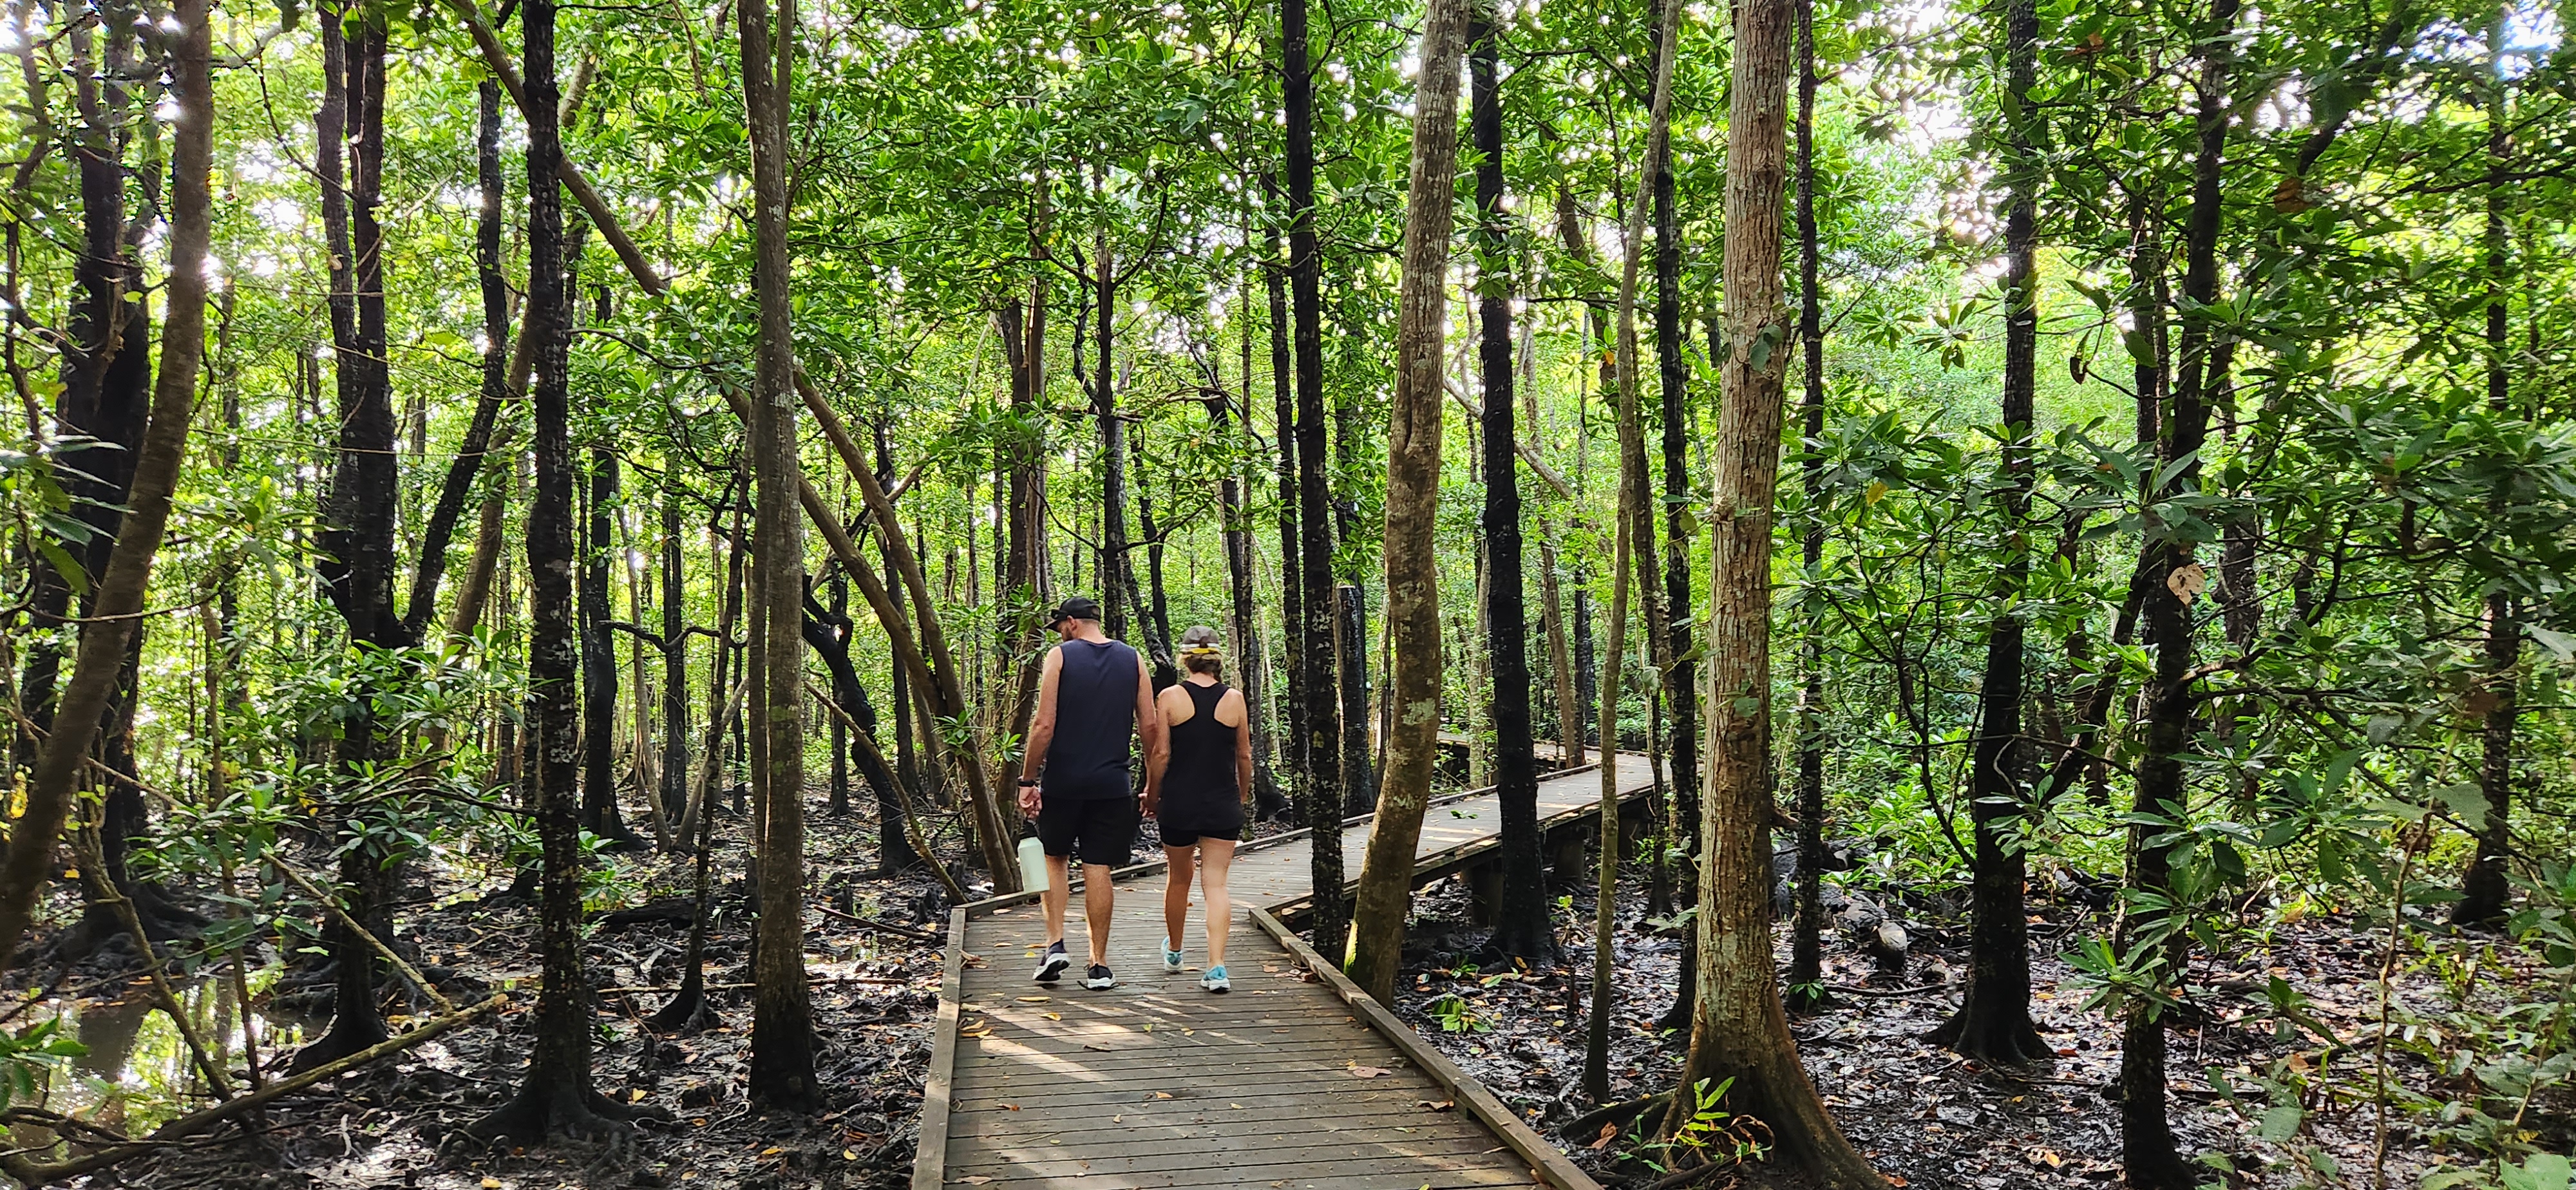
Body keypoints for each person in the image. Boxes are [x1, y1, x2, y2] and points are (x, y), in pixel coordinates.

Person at [1017, 596, 1163, 990]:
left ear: (1071, 623)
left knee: (1055, 858)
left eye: (1061, 627)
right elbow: (1149, 727)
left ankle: (1055, 944)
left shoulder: (1060, 657)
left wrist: (1027, 780)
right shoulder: (1133, 659)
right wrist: (1153, 782)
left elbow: (1043, 725)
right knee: (1099, 868)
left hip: (1065, 781)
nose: (1061, 633)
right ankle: (1099, 965)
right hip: (1112, 784)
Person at [1150, 625, 1253, 993]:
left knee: (1178, 879)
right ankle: (1217, 967)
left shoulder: (1170, 697)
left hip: (1179, 802)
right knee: (1217, 884)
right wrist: (1240, 795)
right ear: (1216, 659)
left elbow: (1161, 754)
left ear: (1184, 659)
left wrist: (1151, 793)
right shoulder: (1235, 699)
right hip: (1222, 803)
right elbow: (1244, 755)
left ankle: (1175, 951)